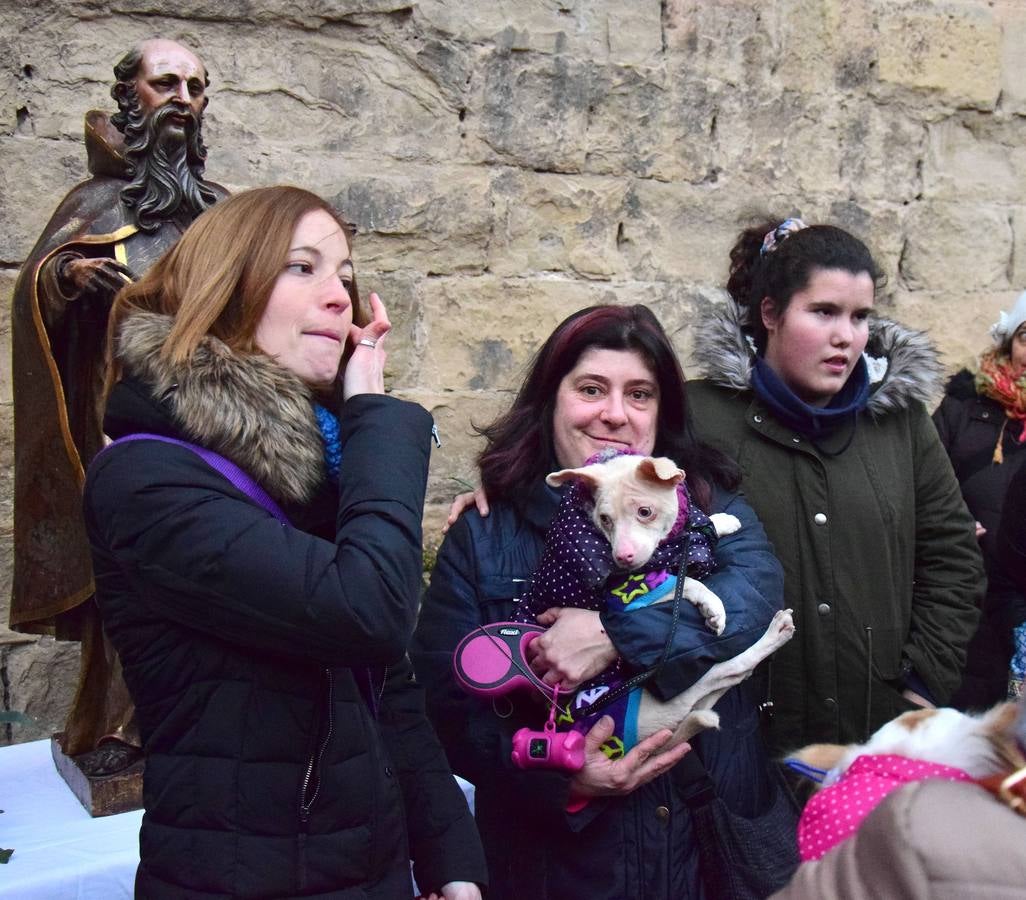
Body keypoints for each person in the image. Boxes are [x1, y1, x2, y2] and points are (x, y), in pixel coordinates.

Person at [82, 186, 486, 899]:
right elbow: (369, 608)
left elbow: (385, 684)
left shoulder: (315, 469)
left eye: (345, 275)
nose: (339, 296)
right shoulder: (146, 479)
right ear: (227, 290)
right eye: (302, 268)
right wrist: (377, 420)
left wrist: (452, 860)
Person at [412, 304, 790, 899]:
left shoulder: (709, 508)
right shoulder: (487, 534)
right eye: (591, 389)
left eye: (640, 395)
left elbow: (751, 602)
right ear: (551, 401)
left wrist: (614, 632)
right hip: (557, 868)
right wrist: (563, 780)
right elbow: (449, 713)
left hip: (703, 854)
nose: (615, 414)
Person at [687, 217, 984, 753]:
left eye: (860, 316)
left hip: (875, 738)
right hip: (740, 745)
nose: (845, 336)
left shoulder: (900, 424)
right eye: (823, 312)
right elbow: (609, 481)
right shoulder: (698, 417)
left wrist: (919, 690)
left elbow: (953, 559)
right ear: (770, 314)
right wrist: (492, 494)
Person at [10, 38, 228, 762]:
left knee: (221, 575)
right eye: (165, 83)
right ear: (129, 97)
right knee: (131, 576)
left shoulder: (223, 213)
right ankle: (118, 730)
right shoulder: (95, 204)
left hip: (219, 429)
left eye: (195, 88)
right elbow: (39, 284)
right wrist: (66, 278)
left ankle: (215, 720)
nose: (182, 99)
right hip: (123, 432)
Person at [933, 291, 1026, 708]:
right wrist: (951, 524)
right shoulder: (963, 409)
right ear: (1009, 344)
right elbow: (924, 483)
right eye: (1025, 337)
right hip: (963, 597)